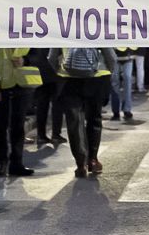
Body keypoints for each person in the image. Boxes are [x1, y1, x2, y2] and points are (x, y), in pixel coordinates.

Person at [59, 46, 116, 178]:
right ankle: (93, 160)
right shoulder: (97, 26)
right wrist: (108, 72)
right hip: (98, 76)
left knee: (74, 121)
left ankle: (80, 163)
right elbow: (111, 56)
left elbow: (52, 56)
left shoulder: (62, 26)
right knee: (94, 118)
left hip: (70, 77)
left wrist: (62, 71)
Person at [0, 47, 39, 178]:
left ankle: (16, 163)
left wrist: (25, 60)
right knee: (0, 125)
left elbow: (38, 56)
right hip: (2, 87)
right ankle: (0, 162)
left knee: (18, 126)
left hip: (22, 86)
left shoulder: (26, 33)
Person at [110, 46, 138, 121]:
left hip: (127, 56)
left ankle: (126, 110)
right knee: (115, 84)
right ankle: (116, 111)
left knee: (127, 83)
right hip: (114, 56)